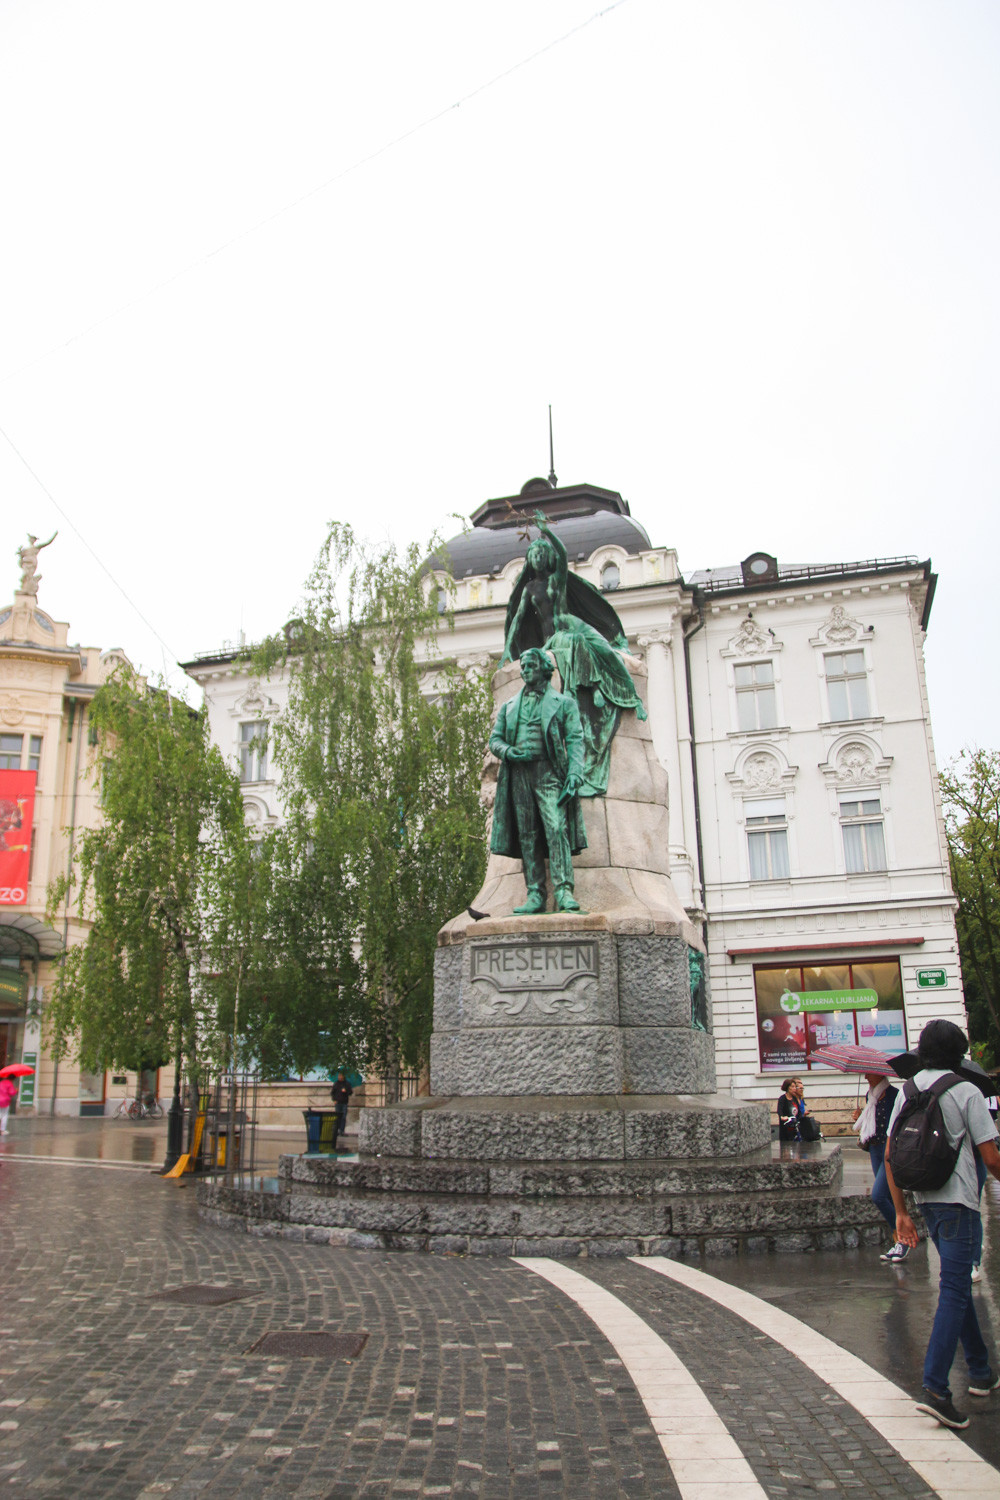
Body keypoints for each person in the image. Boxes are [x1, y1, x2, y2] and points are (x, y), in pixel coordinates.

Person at [885, 1019, 1000, 1429]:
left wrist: (900, 1213)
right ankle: (935, 1387)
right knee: (953, 1289)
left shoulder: (907, 1091)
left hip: (924, 1200)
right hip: (959, 1204)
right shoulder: (967, 1091)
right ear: (958, 1053)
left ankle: (982, 1371)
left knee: (954, 1285)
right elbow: (990, 1158)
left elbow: (889, 1154)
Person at [488, 647, 587, 915]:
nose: (524, 670)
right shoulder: (509, 706)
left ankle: (564, 890)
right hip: (519, 775)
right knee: (527, 835)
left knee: (556, 829)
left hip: (548, 773)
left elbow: (576, 740)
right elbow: (495, 740)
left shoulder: (564, 703)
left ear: (544, 668)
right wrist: (508, 751)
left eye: (530, 665)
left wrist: (576, 772)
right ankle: (534, 894)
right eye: (523, 667)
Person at [850, 1070, 902, 1260]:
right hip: (874, 1149)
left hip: (889, 1151)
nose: (865, 1078)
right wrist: (860, 1118)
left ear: (880, 1074)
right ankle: (899, 1242)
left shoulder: (895, 1095)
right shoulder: (869, 1096)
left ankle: (900, 1236)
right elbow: (870, 1122)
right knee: (887, 1195)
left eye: (869, 1074)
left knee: (879, 1196)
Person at [330, 1070, 353, 1149]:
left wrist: (345, 1091)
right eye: (338, 1076)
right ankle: (337, 1130)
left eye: (341, 1076)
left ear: (343, 1077)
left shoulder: (346, 1084)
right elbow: (332, 1093)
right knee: (337, 1117)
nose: (339, 1077)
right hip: (338, 1102)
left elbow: (350, 1092)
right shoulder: (336, 1084)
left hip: (344, 1103)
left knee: (343, 1117)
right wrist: (334, 1100)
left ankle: (342, 1131)